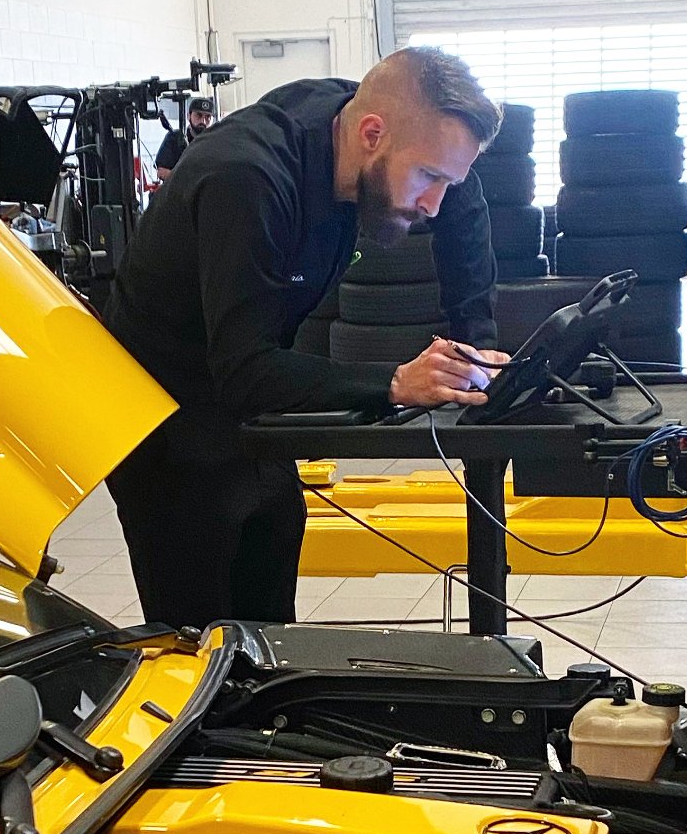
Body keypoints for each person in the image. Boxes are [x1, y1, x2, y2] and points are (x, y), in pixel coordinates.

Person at [104, 48, 504, 629]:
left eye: (448, 179)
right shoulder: (246, 179)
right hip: (166, 420)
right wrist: (395, 383)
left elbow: (461, 204)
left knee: (270, 624)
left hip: (252, 412)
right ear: (371, 135)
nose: (433, 202)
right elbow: (244, 372)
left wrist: (475, 347)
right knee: (199, 646)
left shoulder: (384, 128)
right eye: (429, 178)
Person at [154, 95, 214, 182]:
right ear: (188, 116)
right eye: (198, 115)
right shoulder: (175, 138)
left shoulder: (216, 141)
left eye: (208, 117)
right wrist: (187, 182)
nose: (203, 121)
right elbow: (162, 171)